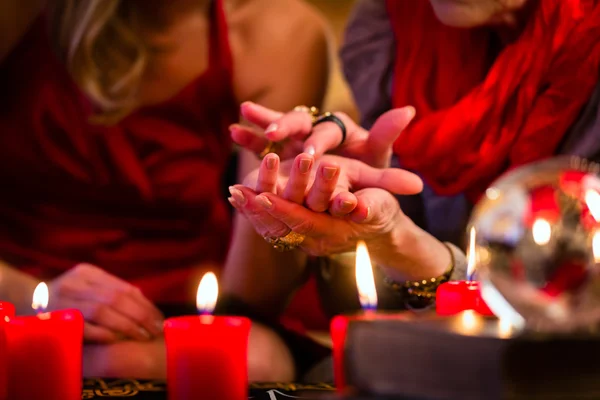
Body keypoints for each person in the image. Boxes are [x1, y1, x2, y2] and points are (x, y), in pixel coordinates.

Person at [226, 0, 600, 379]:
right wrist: (359, 219)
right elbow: (374, 312)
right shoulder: (396, 26)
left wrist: (411, 250)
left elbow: (573, 321)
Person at [0, 0, 338, 381]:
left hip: (175, 313)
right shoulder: (21, 12)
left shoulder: (277, 31)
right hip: (19, 297)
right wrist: (33, 298)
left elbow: (253, 301)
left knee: (254, 360)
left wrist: (282, 209)